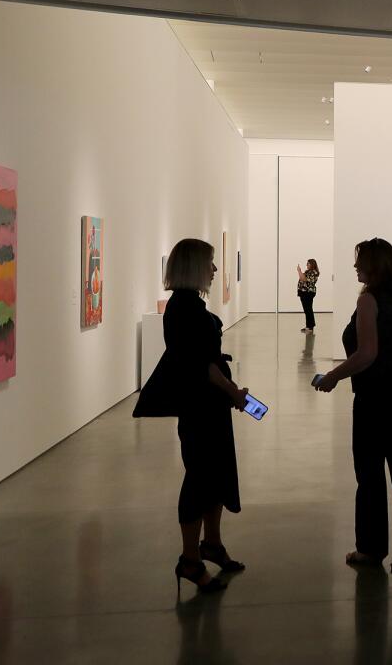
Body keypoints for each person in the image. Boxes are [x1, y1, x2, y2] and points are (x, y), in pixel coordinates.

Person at [314, 238, 392, 573]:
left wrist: (333, 376)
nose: (355, 267)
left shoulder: (368, 300)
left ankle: (370, 548)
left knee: (369, 473)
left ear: (373, 265)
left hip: (376, 400)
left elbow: (367, 354)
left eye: (359, 261)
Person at [163, 238, 249, 593]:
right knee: (199, 477)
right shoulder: (185, 309)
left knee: (214, 474)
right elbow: (204, 367)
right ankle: (189, 560)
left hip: (210, 406)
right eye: (210, 263)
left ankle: (211, 544)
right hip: (200, 406)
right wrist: (235, 394)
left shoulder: (188, 305)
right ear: (194, 266)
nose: (215, 270)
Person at [296, 258, 320, 332]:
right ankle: (308, 326)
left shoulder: (313, 272)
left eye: (308, 263)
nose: (306, 265)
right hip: (304, 292)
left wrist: (299, 271)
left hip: (308, 293)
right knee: (307, 310)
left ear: (312, 264)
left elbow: (304, 279)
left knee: (308, 309)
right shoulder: (308, 271)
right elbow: (301, 278)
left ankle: (310, 327)